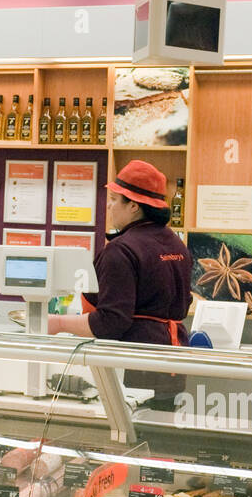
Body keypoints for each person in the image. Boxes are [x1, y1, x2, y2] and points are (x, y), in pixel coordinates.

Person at [48, 160, 192, 407]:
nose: (109, 206)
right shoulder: (176, 245)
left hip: (136, 370)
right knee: (161, 439)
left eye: (114, 199)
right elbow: (184, 303)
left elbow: (110, 322)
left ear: (134, 206)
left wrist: (58, 323)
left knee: (127, 438)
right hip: (174, 363)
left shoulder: (121, 251)